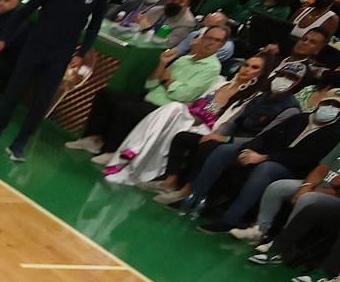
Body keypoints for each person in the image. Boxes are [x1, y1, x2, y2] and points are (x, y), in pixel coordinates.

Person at [0, 0, 112, 161]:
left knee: (41, 103)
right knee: (13, 92)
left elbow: (94, 25)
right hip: (35, 46)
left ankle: (19, 144)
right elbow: (28, 9)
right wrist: (3, 37)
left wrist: (81, 53)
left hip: (61, 54)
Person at [153, 52, 306, 199]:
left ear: (297, 83)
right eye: (282, 75)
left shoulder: (290, 109)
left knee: (209, 146)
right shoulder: (261, 98)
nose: (283, 79)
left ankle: (187, 190)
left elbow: (262, 138)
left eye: (290, 78)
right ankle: (170, 181)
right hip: (231, 135)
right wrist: (215, 134)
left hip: (251, 146)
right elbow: (233, 121)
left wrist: (223, 139)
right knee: (183, 137)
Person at [103, 51, 268, 184]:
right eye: (246, 65)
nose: (247, 69)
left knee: (174, 114)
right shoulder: (220, 83)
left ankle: (134, 153)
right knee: (173, 108)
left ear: (261, 74)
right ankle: (133, 151)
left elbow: (226, 124)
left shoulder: (253, 97)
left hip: (209, 129)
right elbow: (194, 103)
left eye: (254, 68)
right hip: (191, 117)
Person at [184, 88, 340, 228]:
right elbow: (267, 136)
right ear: (321, 101)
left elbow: (305, 159)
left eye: (337, 106)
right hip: (265, 155)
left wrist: (264, 157)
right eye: (329, 103)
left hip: (292, 169)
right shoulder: (300, 118)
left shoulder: (335, 133)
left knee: (266, 168)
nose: (331, 108)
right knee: (225, 151)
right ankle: (194, 198)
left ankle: (230, 219)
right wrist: (248, 148)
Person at [67, 23, 229, 155]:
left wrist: (165, 77)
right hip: (151, 96)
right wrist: (162, 63)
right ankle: (93, 139)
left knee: (128, 109)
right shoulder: (184, 59)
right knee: (107, 94)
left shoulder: (212, 68)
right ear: (200, 38)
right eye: (208, 37)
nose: (210, 42)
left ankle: (111, 151)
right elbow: (151, 84)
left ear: (221, 45)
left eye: (216, 40)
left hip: (166, 110)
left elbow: (183, 94)